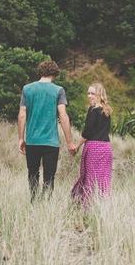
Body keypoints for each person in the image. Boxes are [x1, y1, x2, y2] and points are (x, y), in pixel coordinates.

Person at [18, 60, 76, 202]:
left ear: (40, 71)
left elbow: (22, 114)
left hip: (32, 140)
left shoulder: (27, 89)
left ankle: (33, 201)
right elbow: (63, 115)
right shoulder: (58, 90)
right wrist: (70, 142)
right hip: (51, 142)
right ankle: (46, 205)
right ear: (54, 74)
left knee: (33, 173)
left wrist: (21, 138)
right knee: (49, 176)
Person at [71, 83, 113, 206]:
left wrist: (77, 146)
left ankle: (87, 206)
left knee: (90, 178)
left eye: (92, 93)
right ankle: (103, 204)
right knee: (103, 179)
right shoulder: (107, 110)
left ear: (99, 95)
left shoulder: (93, 110)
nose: (89, 96)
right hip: (106, 148)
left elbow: (87, 132)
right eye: (88, 93)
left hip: (94, 148)